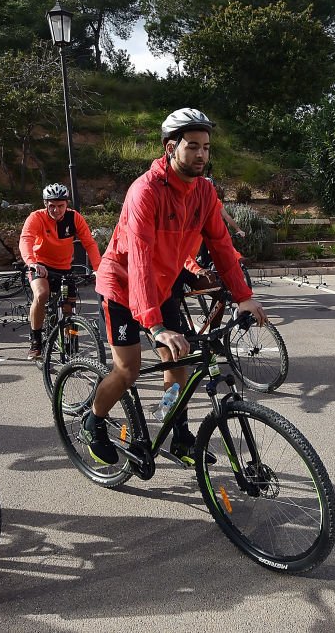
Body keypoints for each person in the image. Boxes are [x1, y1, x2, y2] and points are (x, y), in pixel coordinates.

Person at [84, 108, 267, 466]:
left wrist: (245, 298)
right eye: (193, 146)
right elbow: (138, 258)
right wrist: (154, 325)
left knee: (179, 361)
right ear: (171, 148)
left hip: (162, 285)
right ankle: (94, 421)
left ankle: (178, 433)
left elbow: (221, 246)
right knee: (128, 369)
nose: (201, 154)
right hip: (123, 285)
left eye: (207, 147)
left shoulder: (203, 193)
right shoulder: (145, 192)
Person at [18, 183, 103, 360]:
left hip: (65, 267)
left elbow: (89, 243)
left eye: (60, 206)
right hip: (40, 264)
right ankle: (36, 342)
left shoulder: (74, 218)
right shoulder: (36, 217)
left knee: (69, 308)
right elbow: (26, 239)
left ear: (67, 204)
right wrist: (31, 263)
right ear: (45, 204)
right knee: (41, 295)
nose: (56, 210)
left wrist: (98, 269)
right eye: (52, 206)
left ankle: (71, 342)